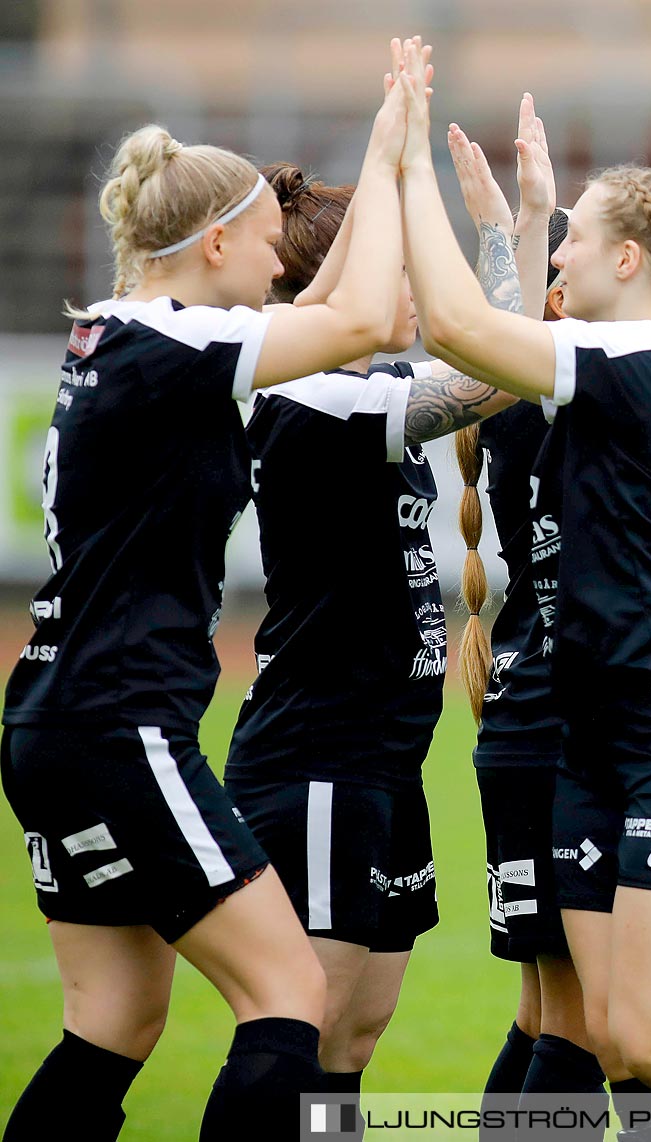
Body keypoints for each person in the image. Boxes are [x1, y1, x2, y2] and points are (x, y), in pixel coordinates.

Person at [1, 39, 413, 1141]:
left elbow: (315, 312)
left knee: (115, 1014)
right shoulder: (172, 344)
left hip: (51, 719)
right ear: (216, 240)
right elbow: (362, 322)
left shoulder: (122, 336)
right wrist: (387, 158)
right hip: (121, 723)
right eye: (272, 248)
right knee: (288, 997)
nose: (282, 270)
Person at [386, 42, 651, 1115]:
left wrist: (404, 166)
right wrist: (518, 223)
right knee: (612, 1046)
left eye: (573, 237)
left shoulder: (643, 359)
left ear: (629, 265)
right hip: (590, 731)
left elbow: (468, 329)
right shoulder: (611, 364)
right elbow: (489, 348)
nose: (558, 256)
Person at [220, 151, 519, 1110]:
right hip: (318, 760)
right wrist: (506, 237)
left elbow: (477, 365)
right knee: (294, 1034)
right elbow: (493, 380)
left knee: (351, 1039)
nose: (408, 290)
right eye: (392, 270)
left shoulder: (366, 387)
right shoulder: (313, 397)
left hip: (384, 760)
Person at [440, 99, 612, 1108]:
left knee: (543, 1012)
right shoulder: (573, 392)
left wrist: (523, 220)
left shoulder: (505, 408)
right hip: (563, 729)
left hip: (515, 718)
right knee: (584, 1024)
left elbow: (502, 334)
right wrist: (520, 226)